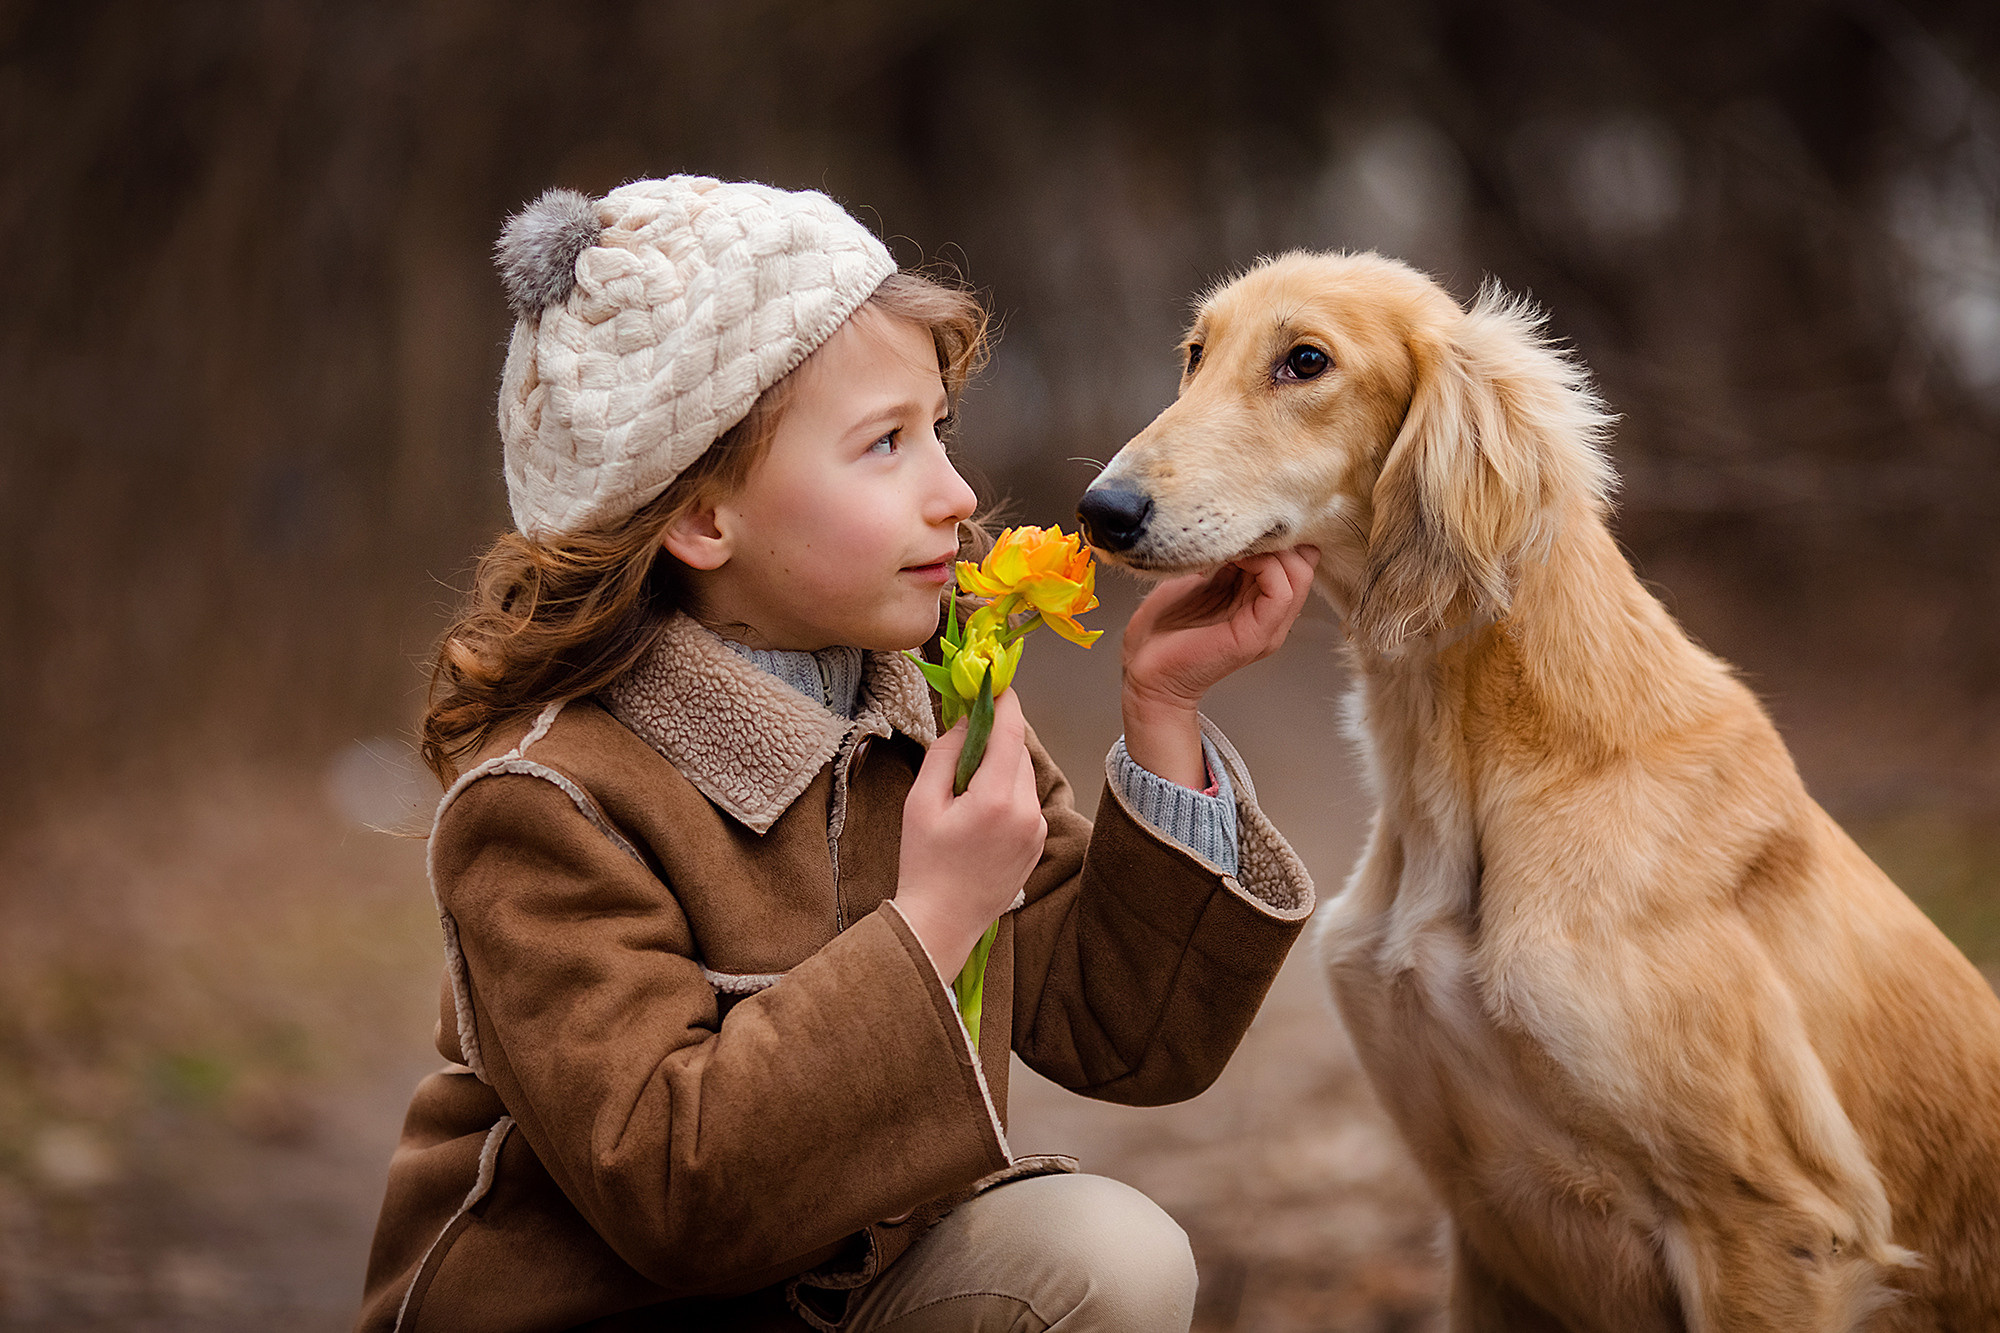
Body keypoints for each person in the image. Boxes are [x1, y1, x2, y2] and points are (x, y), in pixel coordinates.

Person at [357, 177, 1319, 1333]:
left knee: (1102, 1257)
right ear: (703, 518)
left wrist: (1159, 708)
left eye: (938, 431)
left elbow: (1121, 1034)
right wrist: (932, 919)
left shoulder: (929, 707)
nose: (954, 493)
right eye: (883, 445)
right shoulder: (546, 806)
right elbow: (673, 1192)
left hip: (837, 1298)